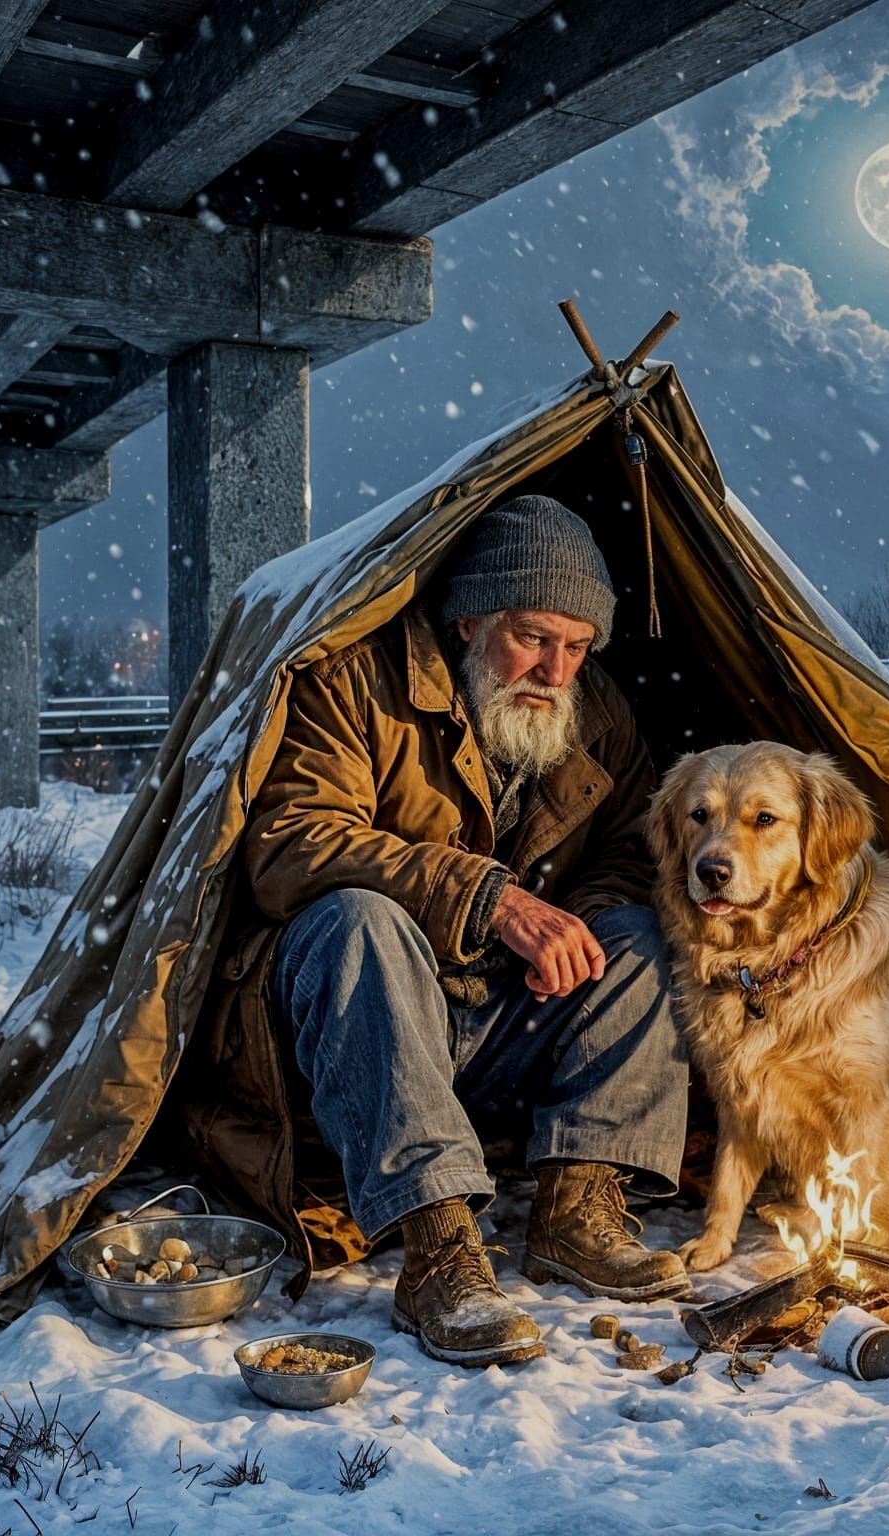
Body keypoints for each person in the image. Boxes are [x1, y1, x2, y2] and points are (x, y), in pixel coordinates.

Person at [246, 495, 689, 1366]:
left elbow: (635, 850)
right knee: (359, 920)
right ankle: (439, 1244)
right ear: (469, 618)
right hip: (359, 1025)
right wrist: (489, 900)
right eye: (533, 637)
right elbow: (290, 842)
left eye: (576, 646)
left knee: (641, 932)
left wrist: (576, 930)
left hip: (506, 1015)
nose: (555, 670)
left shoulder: (596, 713)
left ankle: (579, 1208)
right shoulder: (355, 681)